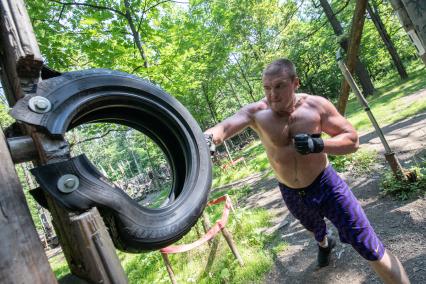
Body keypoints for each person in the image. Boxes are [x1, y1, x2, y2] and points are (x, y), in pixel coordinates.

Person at [204, 59, 409, 283]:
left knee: (370, 247)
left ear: (296, 83)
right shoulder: (256, 113)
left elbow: (353, 140)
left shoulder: (316, 106)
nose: (272, 94)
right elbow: (223, 128)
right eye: (266, 87)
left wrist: (318, 145)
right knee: (313, 228)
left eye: (279, 86)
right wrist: (208, 140)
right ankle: (324, 243)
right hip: (291, 192)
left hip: (327, 185)